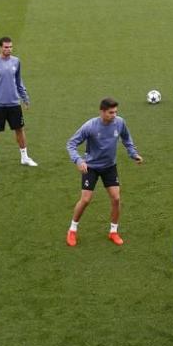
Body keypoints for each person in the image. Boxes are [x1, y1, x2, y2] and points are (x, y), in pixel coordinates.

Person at [65, 98, 143, 247]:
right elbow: (71, 144)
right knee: (86, 200)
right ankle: (72, 229)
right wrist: (78, 161)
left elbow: (126, 138)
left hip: (109, 166)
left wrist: (133, 154)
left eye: (115, 112)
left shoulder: (120, 122)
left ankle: (113, 231)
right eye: (110, 112)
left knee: (116, 198)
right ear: (102, 112)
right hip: (91, 167)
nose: (114, 115)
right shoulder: (90, 126)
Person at [0, 36, 37, 172]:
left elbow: (18, 82)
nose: (9, 49)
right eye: (6, 47)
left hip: (14, 104)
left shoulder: (16, 62)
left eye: (10, 47)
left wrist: (25, 97)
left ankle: (24, 157)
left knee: (20, 130)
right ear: (0, 47)